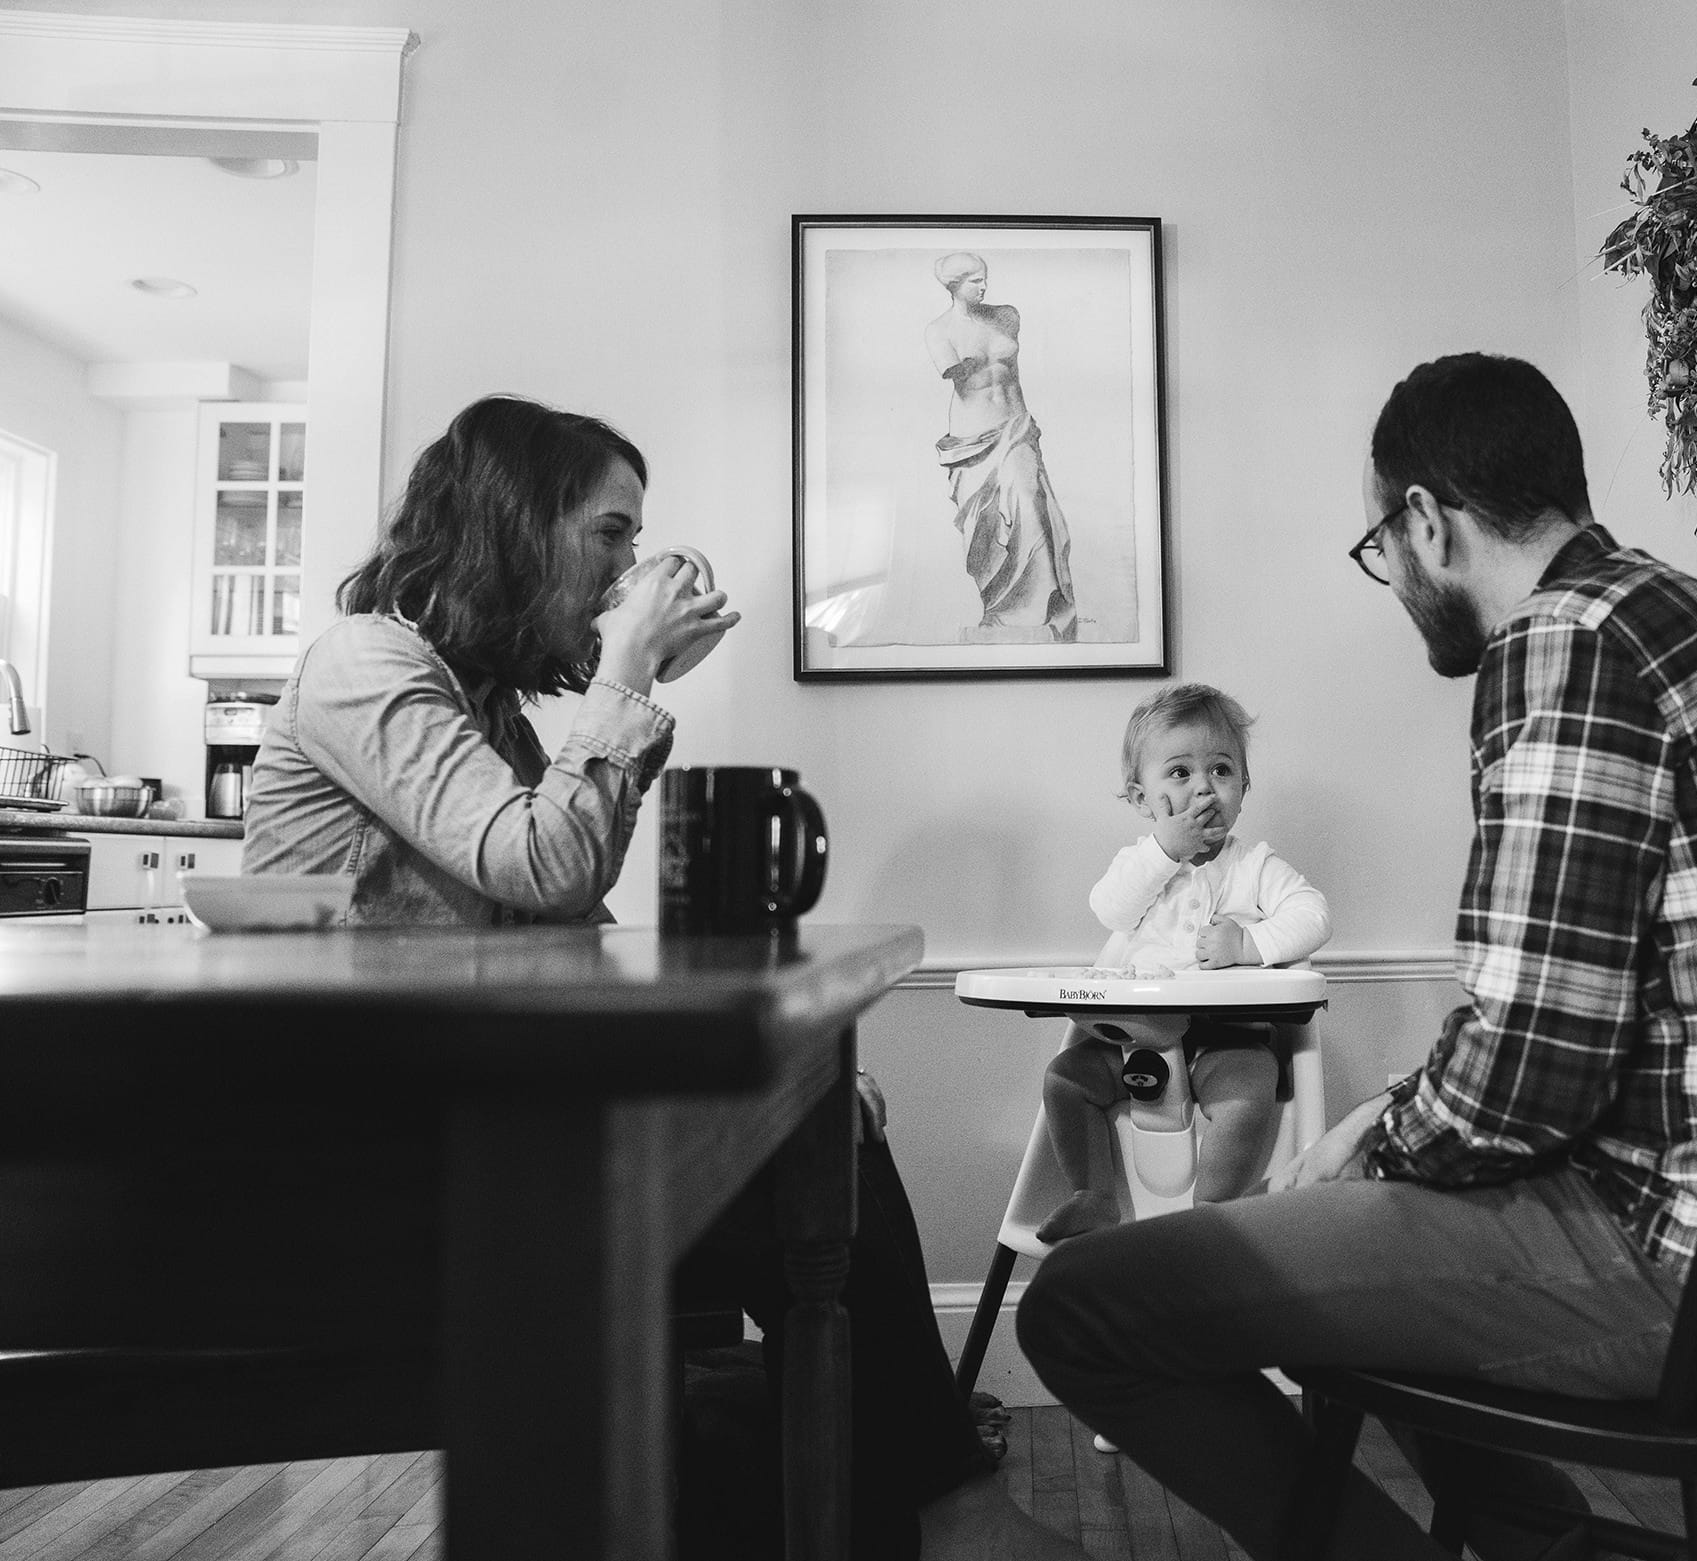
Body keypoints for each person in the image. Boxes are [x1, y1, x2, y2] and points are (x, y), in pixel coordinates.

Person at [1017, 353, 1697, 1559]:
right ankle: (1549, 1546)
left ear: (1426, 519)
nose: (1393, 579)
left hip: (1673, 1273)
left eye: (1383, 547)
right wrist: (1390, 1127)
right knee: (1360, 1212)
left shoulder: (1564, 645)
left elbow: (1531, 1072)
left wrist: (1371, 1142)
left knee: (1078, 1307)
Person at [242, 395, 1085, 1561]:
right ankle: (937, 1512)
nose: (629, 566)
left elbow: (571, 929)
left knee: (824, 1139)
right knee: (810, 1177)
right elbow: (539, 861)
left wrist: (782, 1082)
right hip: (374, 1163)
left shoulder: (487, 715)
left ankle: (904, 1509)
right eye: (610, 533)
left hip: (481, 1129)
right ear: (515, 522)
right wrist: (630, 674)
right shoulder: (362, 662)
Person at [1034, 683, 1331, 1242]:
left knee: (1251, 1089)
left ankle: (1212, 1211)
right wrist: (1164, 851)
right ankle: (1092, 1194)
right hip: (1131, 1043)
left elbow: (1314, 916)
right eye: (1179, 773)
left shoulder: (1256, 867)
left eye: (1220, 770)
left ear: (1244, 787)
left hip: (1227, 1041)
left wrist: (1248, 945)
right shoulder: (1139, 865)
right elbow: (1110, 910)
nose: (1202, 788)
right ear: (1141, 799)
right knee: (1064, 1081)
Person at [925, 251, 1078, 643]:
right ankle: (999, 612)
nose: (984, 286)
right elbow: (951, 371)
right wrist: (968, 362)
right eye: (975, 280)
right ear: (954, 285)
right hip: (972, 439)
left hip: (1016, 428)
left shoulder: (1007, 315)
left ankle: (1039, 611)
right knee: (985, 526)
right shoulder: (939, 330)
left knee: (1030, 503)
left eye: (985, 278)